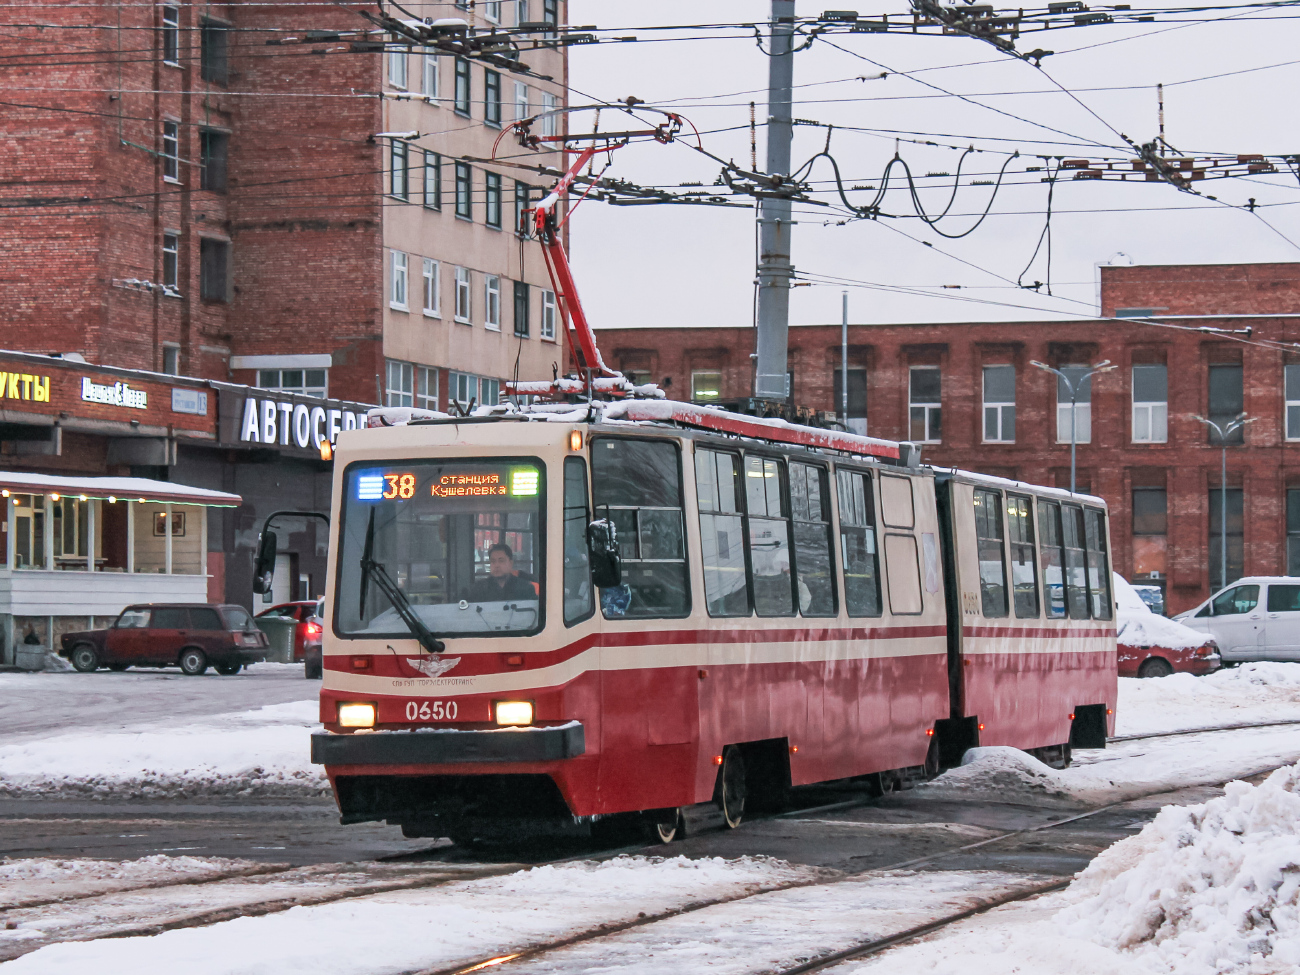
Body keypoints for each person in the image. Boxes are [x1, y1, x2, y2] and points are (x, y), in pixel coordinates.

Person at [468, 542, 537, 602]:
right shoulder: (479, 588)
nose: (496, 565)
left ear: (510, 563)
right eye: (493, 561)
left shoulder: (525, 588)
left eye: (501, 561)